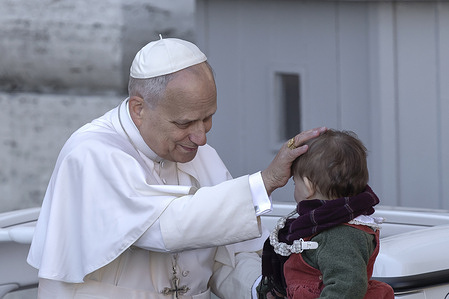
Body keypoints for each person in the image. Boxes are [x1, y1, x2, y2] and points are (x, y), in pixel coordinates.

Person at [27, 36, 326, 299]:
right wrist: (266, 181)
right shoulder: (91, 154)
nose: (201, 137)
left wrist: (262, 289)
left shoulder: (198, 152)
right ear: (139, 109)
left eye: (207, 117)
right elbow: (163, 228)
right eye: (184, 123)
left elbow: (225, 258)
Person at [257, 129, 394, 299]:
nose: (295, 189)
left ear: (308, 186)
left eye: (295, 183)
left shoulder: (340, 235)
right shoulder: (324, 225)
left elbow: (348, 286)